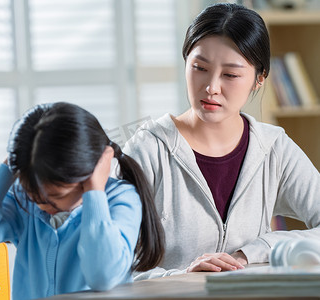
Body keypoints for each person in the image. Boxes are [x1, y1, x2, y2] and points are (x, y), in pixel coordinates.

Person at [123, 3, 320, 280]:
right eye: (199, 68)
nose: (211, 87)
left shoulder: (274, 147)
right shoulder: (147, 150)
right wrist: (180, 276)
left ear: (259, 79)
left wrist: (252, 253)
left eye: (230, 74)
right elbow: (110, 263)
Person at [0, 102, 165, 300]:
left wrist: (94, 193)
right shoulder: (24, 204)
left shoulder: (119, 199)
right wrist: (10, 167)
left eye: (56, 197)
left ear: (88, 175)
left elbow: (102, 275)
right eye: (34, 193)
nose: (41, 205)